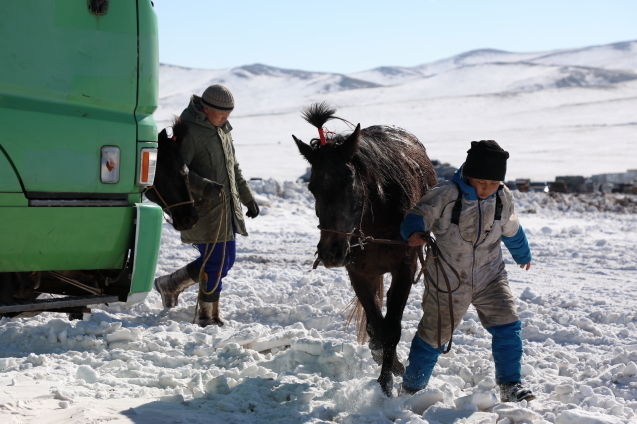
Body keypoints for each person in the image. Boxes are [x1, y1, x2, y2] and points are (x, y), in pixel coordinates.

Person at [399, 140, 534, 402]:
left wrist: (522, 253)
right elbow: (418, 215)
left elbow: (512, 228)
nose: (486, 189)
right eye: (481, 183)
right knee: (433, 336)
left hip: (491, 276)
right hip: (448, 280)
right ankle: (410, 390)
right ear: (468, 174)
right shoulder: (445, 194)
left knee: (508, 326)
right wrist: (414, 232)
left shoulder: (502, 196)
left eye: (492, 184)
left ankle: (510, 385)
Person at [154, 84, 259, 327]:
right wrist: (203, 186)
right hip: (201, 210)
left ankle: (170, 284)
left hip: (226, 210)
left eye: (229, 113)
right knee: (215, 262)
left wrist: (247, 198)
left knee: (225, 261)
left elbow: (234, 168)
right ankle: (207, 316)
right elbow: (177, 172)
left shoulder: (222, 129)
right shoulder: (190, 130)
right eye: (222, 113)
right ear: (206, 108)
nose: (226, 118)